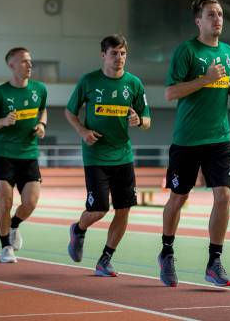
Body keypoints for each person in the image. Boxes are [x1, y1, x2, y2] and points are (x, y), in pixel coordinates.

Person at [158, 0, 230, 287]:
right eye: (211, 15)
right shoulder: (187, 51)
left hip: (219, 137)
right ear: (199, 21)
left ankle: (214, 261)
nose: (217, 19)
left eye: (220, 14)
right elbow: (170, 93)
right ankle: (167, 252)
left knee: (224, 196)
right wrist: (204, 80)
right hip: (187, 139)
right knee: (178, 198)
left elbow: (224, 87)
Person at [65, 34, 151, 277]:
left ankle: (106, 258)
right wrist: (82, 131)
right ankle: (79, 229)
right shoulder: (89, 81)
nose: (119, 58)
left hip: (123, 156)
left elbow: (147, 120)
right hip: (96, 156)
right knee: (99, 210)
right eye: (114, 53)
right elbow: (70, 112)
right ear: (103, 55)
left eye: (123, 53)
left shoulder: (134, 84)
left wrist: (139, 120)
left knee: (124, 209)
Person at [0, 47, 48, 263]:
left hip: (29, 154)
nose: (29, 65)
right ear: (11, 66)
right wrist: (2, 121)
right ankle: (5, 247)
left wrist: (41, 124)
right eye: (23, 62)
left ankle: (14, 225)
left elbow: (42, 110)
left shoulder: (39, 89)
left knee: (30, 202)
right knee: (5, 202)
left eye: (30, 61)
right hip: (5, 154)